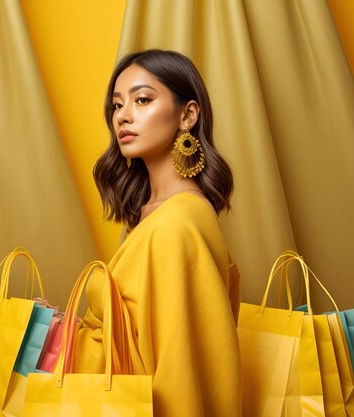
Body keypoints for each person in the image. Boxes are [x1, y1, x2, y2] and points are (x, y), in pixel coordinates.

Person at [73, 49, 242, 416]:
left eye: (143, 99)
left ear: (187, 115)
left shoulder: (178, 224)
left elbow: (179, 372)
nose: (123, 116)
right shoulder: (153, 213)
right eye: (117, 106)